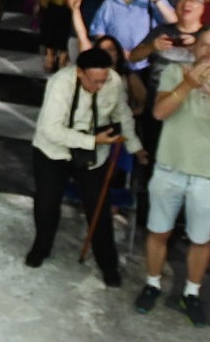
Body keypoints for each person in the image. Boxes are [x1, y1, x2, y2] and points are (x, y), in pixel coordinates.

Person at [135, 27, 210, 327]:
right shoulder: (174, 72)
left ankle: (192, 292)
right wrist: (187, 85)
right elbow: (159, 113)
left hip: (208, 177)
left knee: (200, 238)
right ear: (195, 48)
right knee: (159, 231)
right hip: (169, 168)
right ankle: (152, 283)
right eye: (206, 45)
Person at [28, 47, 145, 286]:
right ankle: (41, 248)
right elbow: (50, 130)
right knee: (47, 204)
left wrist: (135, 146)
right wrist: (92, 140)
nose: (100, 86)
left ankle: (108, 265)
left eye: (103, 80)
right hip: (53, 152)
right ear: (79, 72)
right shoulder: (60, 83)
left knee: (99, 208)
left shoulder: (112, 81)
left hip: (93, 154)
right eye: (94, 81)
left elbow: (123, 113)